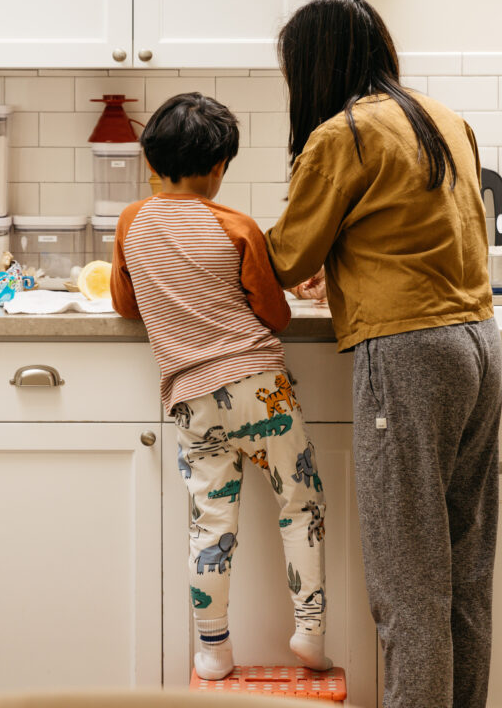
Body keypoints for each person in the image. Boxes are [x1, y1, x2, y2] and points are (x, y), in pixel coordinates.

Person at [264, 0, 502, 708]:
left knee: (408, 588)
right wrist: (343, 273)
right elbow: (419, 235)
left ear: (312, 66)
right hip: (476, 346)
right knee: (463, 578)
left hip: (408, 358)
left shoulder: (342, 134)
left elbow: (284, 253)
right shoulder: (442, 118)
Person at [110, 92, 330, 681]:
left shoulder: (131, 223)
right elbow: (275, 317)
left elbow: (126, 306)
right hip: (261, 389)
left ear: (153, 161)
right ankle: (308, 630)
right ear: (218, 168)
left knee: (211, 526)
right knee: (299, 502)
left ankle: (214, 652)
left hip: (192, 399)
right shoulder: (235, 225)